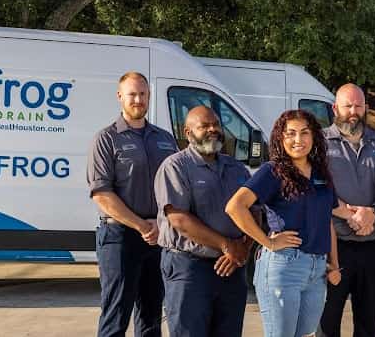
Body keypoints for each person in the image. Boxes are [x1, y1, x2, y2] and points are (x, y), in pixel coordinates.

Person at [225, 109, 342, 337]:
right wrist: (268, 242)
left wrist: (334, 263)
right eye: (291, 133)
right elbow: (235, 207)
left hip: (317, 270)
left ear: (314, 136)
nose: (298, 139)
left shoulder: (320, 173)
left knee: (305, 332)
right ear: (281, 137)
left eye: (304, 132)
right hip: (284, 266)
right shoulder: (273, 171)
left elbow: (326, 220)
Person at [87, 71, 178, 337]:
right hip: (120, 237)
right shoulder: (106, 139)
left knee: (151, 317)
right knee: (116, 316)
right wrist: (142, 225)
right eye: (132, 94)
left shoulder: (165, 139)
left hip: (158, 237)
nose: (138, 100)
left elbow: (176, 188)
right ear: (120, 96)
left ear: (149, 96)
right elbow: (102, 194)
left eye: (143, 94)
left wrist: (160, 224)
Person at [154, 106, 252, 337]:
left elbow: (254, 212)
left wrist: (243, 248)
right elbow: (179, 219)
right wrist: (226, 245)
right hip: (189, 269)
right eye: (204, 126)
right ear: (188, 133)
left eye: (216, 124)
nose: (212, 130)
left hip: (232, 268)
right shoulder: (175, 166)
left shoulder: (237, 168)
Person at [319, 84, 375, 337]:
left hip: (373, 246)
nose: (353, 111)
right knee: (327, 322)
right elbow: (313, 187)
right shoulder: (318, 143)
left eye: (358, 106)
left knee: (369, 323)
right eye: (347, 105)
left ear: (366, 108)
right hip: (332, 248)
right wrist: (348, 213)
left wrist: (372, 212)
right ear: (335, 108)